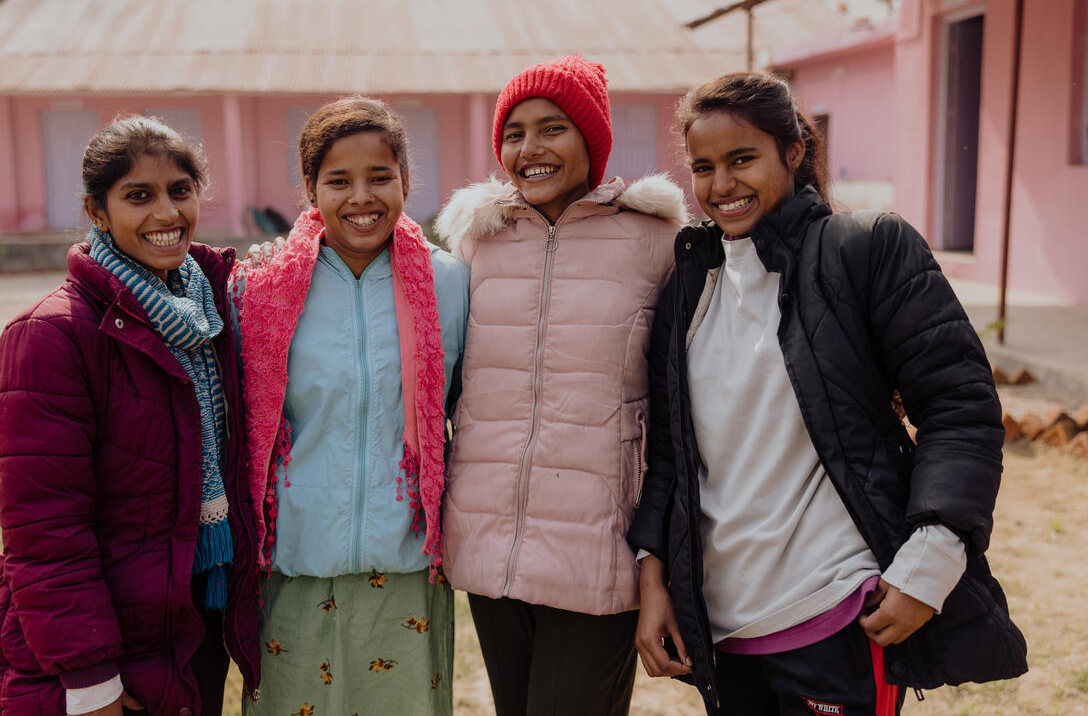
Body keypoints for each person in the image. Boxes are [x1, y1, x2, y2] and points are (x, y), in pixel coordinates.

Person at [627, 71, 1027, 715]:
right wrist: (654, 581)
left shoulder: (866, 248)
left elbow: (959, 409)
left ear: (794, 152)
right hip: (724, 628)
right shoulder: (688, 288)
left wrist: (930, 565)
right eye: (703, 167)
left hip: (839, 609)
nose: (720, 186)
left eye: (742, 159)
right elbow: (671, 456)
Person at [434, 55, 689, 716]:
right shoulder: (476, 245)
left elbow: (677, 413)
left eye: (553, 128)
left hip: (598, 549)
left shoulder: (656, 243)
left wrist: (659, 557)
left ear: (592, 140)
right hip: (491, 546)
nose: (530, 148)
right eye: (514, 133)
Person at [0, 116, 260, 716]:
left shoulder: (215, 309)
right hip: (102, 647)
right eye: (139, 196)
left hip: (194, 620)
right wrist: (90, 679)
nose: (166, 213)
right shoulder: (50, 335)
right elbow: (45, 529)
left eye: (180, 191)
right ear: (98, 211)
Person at [231, 97, 469, 716]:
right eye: (339, 180)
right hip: (295, 558)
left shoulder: (451, 284)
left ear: (407, 182)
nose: (361, 197)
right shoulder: (263, 289)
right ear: (310, 188)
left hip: (407, 559)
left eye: (380, 177)